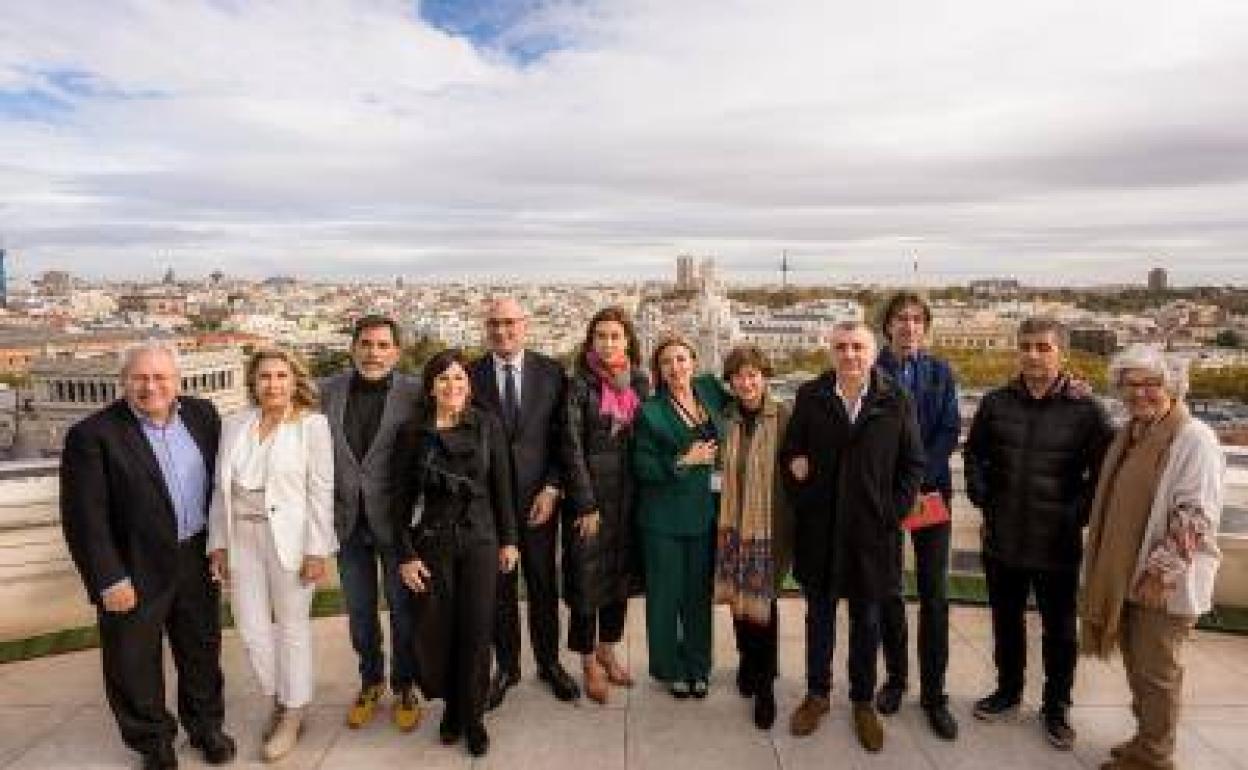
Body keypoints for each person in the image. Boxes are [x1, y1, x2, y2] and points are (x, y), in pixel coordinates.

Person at [60, 342, 236, 770]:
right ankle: (153, 741)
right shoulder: (92, 435)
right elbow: (85, 518)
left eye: (160, 377)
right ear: (124, 382)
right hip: (131, 565)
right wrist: (107, 579)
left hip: (195, 555)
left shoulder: (202, 415)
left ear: (177, 381)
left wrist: (222, 542)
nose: (150, 386)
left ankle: (206, 727)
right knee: (133, 659)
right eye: (140, 378)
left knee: (201, 648)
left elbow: (220, 485)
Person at [964, 315, 1114, 750]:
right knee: (1005, 624)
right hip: (1003, 538)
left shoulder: (1086, 411)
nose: (1033, 354)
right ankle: (1008, 691)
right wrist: (983, 496)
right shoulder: (996, 403)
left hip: (1057, 541)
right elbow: (974, 455)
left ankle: (1056, 707)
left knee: (1059, 632)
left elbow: (1102, 474)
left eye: (1043, 347)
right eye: (1026, 346)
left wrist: (1074, 516)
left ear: (1061, 353)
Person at [782, 321, 925, 753]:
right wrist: (800, 485)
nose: (849, 355)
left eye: (857, 347)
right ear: (831, 352)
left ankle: (863, 702)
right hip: (821, 531)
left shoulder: (895, 398)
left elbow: (912, 464)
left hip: (871, 535)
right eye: (841, 347)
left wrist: (892, 512)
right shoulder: (811, 396)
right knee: (819, 618)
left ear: (873, 351)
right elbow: (790, 454)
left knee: (867, 622)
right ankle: (817, 694)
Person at [1080, 345, 1225, 770]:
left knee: (1158, 673)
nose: (1140, 393)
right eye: (1131, 384)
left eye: (1152, 384)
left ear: (1174, 387)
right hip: (1129, 572)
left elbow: (1195, 516)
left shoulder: (1193, 438)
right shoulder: (1133, 433)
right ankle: (1145, 740)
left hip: (1162, 582)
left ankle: (1155, 757)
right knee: (1140, 666)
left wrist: (1159, 576)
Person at [206, 349, 335, 762]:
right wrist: (218, 543)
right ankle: (279, 695)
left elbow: (321, 491)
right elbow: (219, 490)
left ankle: (293, 713)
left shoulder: (312, 426)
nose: (274, 384)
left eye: (282, 376)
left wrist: (317, 549)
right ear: (253, 382)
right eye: (265, 377)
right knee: (251, 628)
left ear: (295, 380)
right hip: (242, 537)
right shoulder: (234, 424)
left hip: (291, 543)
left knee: (293, 627)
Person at [394, 349, 520, 758]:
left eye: (460, 380)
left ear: (470, 387)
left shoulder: (487, 426)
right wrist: (406, 555)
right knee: (439, 630)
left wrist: (509, 541)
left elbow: (503, 488)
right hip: (433, 544)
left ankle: (474, 716)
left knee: (478, 630)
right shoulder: (413, 433)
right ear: (430, 387)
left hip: (481, 540)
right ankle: (451, 708)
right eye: (444, 379)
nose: (452, 387)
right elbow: (398, 500)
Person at [469, 297, 579, 707]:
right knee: (499, 590)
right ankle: (508, 666)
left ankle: (549, 663)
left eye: (510, 323)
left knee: (543, 585)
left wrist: (553, 488)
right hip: (490, 506)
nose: (502, 331)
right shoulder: (469, 375)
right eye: (494, 324)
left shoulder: (551, 373)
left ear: (525, 325)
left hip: (539, 502)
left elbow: (561, 439)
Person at [320, 315, 423, 731]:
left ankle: (405, 685)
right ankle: (370, 681)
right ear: (353, 347)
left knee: (403, 612)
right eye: (366, 344)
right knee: (360, 613)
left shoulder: (415, 393)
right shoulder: (327, 391)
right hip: (346, 524)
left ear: (397, 352)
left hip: (397, 525)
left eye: (383, 346)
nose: (374, 353)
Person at [872, 291, 961, 739]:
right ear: (887, 326)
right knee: (889, 592)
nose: (908, 326)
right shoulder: (872, 371)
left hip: (928, 498)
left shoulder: (941, 373)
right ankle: (895, 681)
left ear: (925, 327)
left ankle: (933, 694)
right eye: (900, 319)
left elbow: (949, 431)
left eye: (916, 319)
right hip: (886, 500)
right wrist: (897, 488)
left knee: (934, 596)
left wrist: (915, 479)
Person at [560, 307, 650, 704]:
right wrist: (584, 504)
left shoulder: (641, 383)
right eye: (601, 336)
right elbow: (570, 447)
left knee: (618, 581)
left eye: (615, 336)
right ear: (590, 342)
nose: (609, 343)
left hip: (629, 502)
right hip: (592, 503)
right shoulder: (579, 385)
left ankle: (607, 652)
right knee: (586, 584)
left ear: (627, 340)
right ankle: (588, 664)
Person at [632, 334, 728, 699]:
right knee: (665, 596)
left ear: (694, 363)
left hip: (704, 513)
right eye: (668, 362)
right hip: (662, 519)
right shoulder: (650, 411)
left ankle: (698, 666)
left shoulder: (709, 391)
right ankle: (671, 668)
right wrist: (683, 461)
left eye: (682, 359)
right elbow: (641, 465)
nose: (676, 367)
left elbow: (744, 396)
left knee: (697, 596)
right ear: (659, 370)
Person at [714, 345, 793, 730]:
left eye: (753, 375)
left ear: (765, 377)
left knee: (764, 609)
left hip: (768, 529)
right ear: (729, 382)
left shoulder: (783, 416)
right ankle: (746, 661)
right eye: (738, 376)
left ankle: (765, 686)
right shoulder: (724, 418)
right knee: (737, 602)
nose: (746, 383)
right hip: (730, 527)